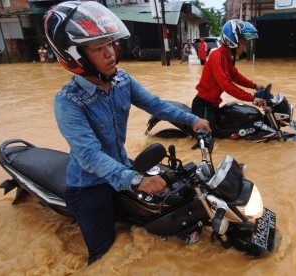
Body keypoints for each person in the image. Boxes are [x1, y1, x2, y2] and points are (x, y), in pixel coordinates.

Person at [43, 1, 211, 265]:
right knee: (105, 255)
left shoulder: (122, 80)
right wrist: (135, 180)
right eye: (99, 48)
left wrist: (192, 121)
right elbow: (89, 156)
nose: (110, 53)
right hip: (89, 184)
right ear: (76, 57)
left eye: (110, 43)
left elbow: (156, 105)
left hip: (122, 167)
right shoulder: (68, 102)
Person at [191, 19, 267, 136]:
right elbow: (226, 85)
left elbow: (235, 76)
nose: (244, 47)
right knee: (213, 135)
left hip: (214, 105)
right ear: (233, 42)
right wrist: (252, 98)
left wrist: (254, 86)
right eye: (243, 43)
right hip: (203, 106)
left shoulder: (227, 56)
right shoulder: (217, 56)